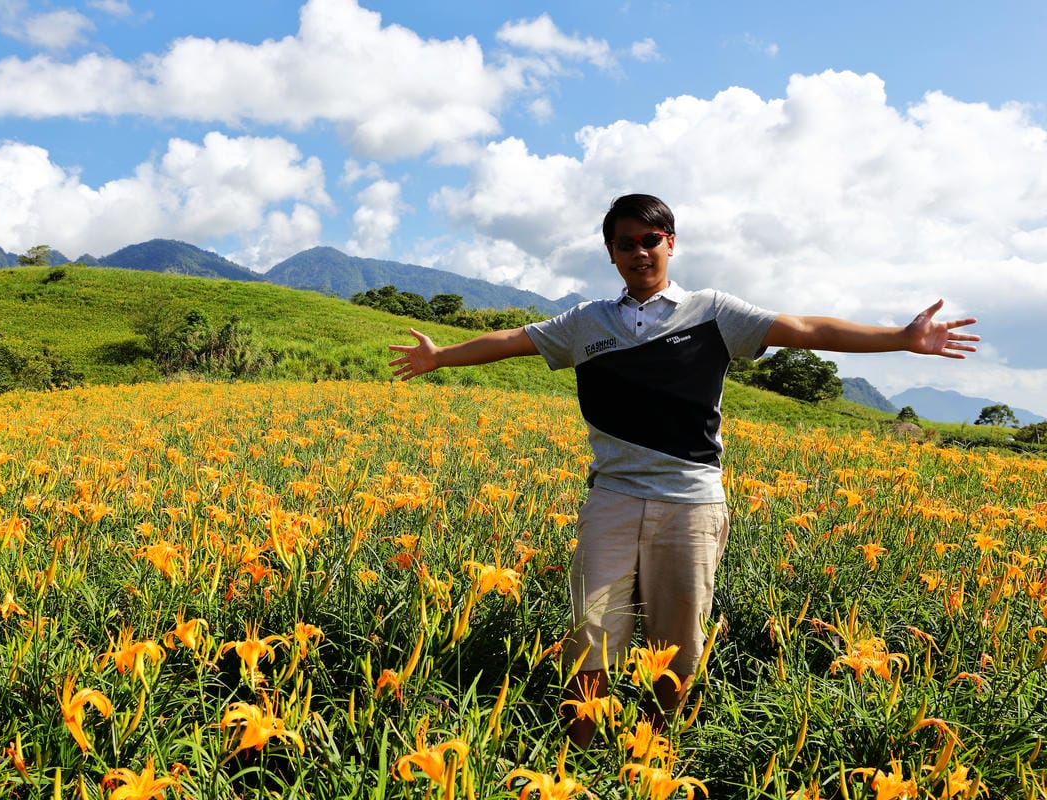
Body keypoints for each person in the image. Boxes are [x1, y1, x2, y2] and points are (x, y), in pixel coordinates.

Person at [387, 193, 979, 747]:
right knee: (591, 637)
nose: (639, 252)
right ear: (611, 253)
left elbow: (805, 330)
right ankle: (579, 757)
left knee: (677, 645)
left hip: (692, 500)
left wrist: (902, 338)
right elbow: (512, 340)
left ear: (670, 243)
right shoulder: (587, 322)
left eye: (651, 239)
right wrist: (440, 357)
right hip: (613, 498)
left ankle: (653, 755)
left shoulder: (713, 312)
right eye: (625, 243)